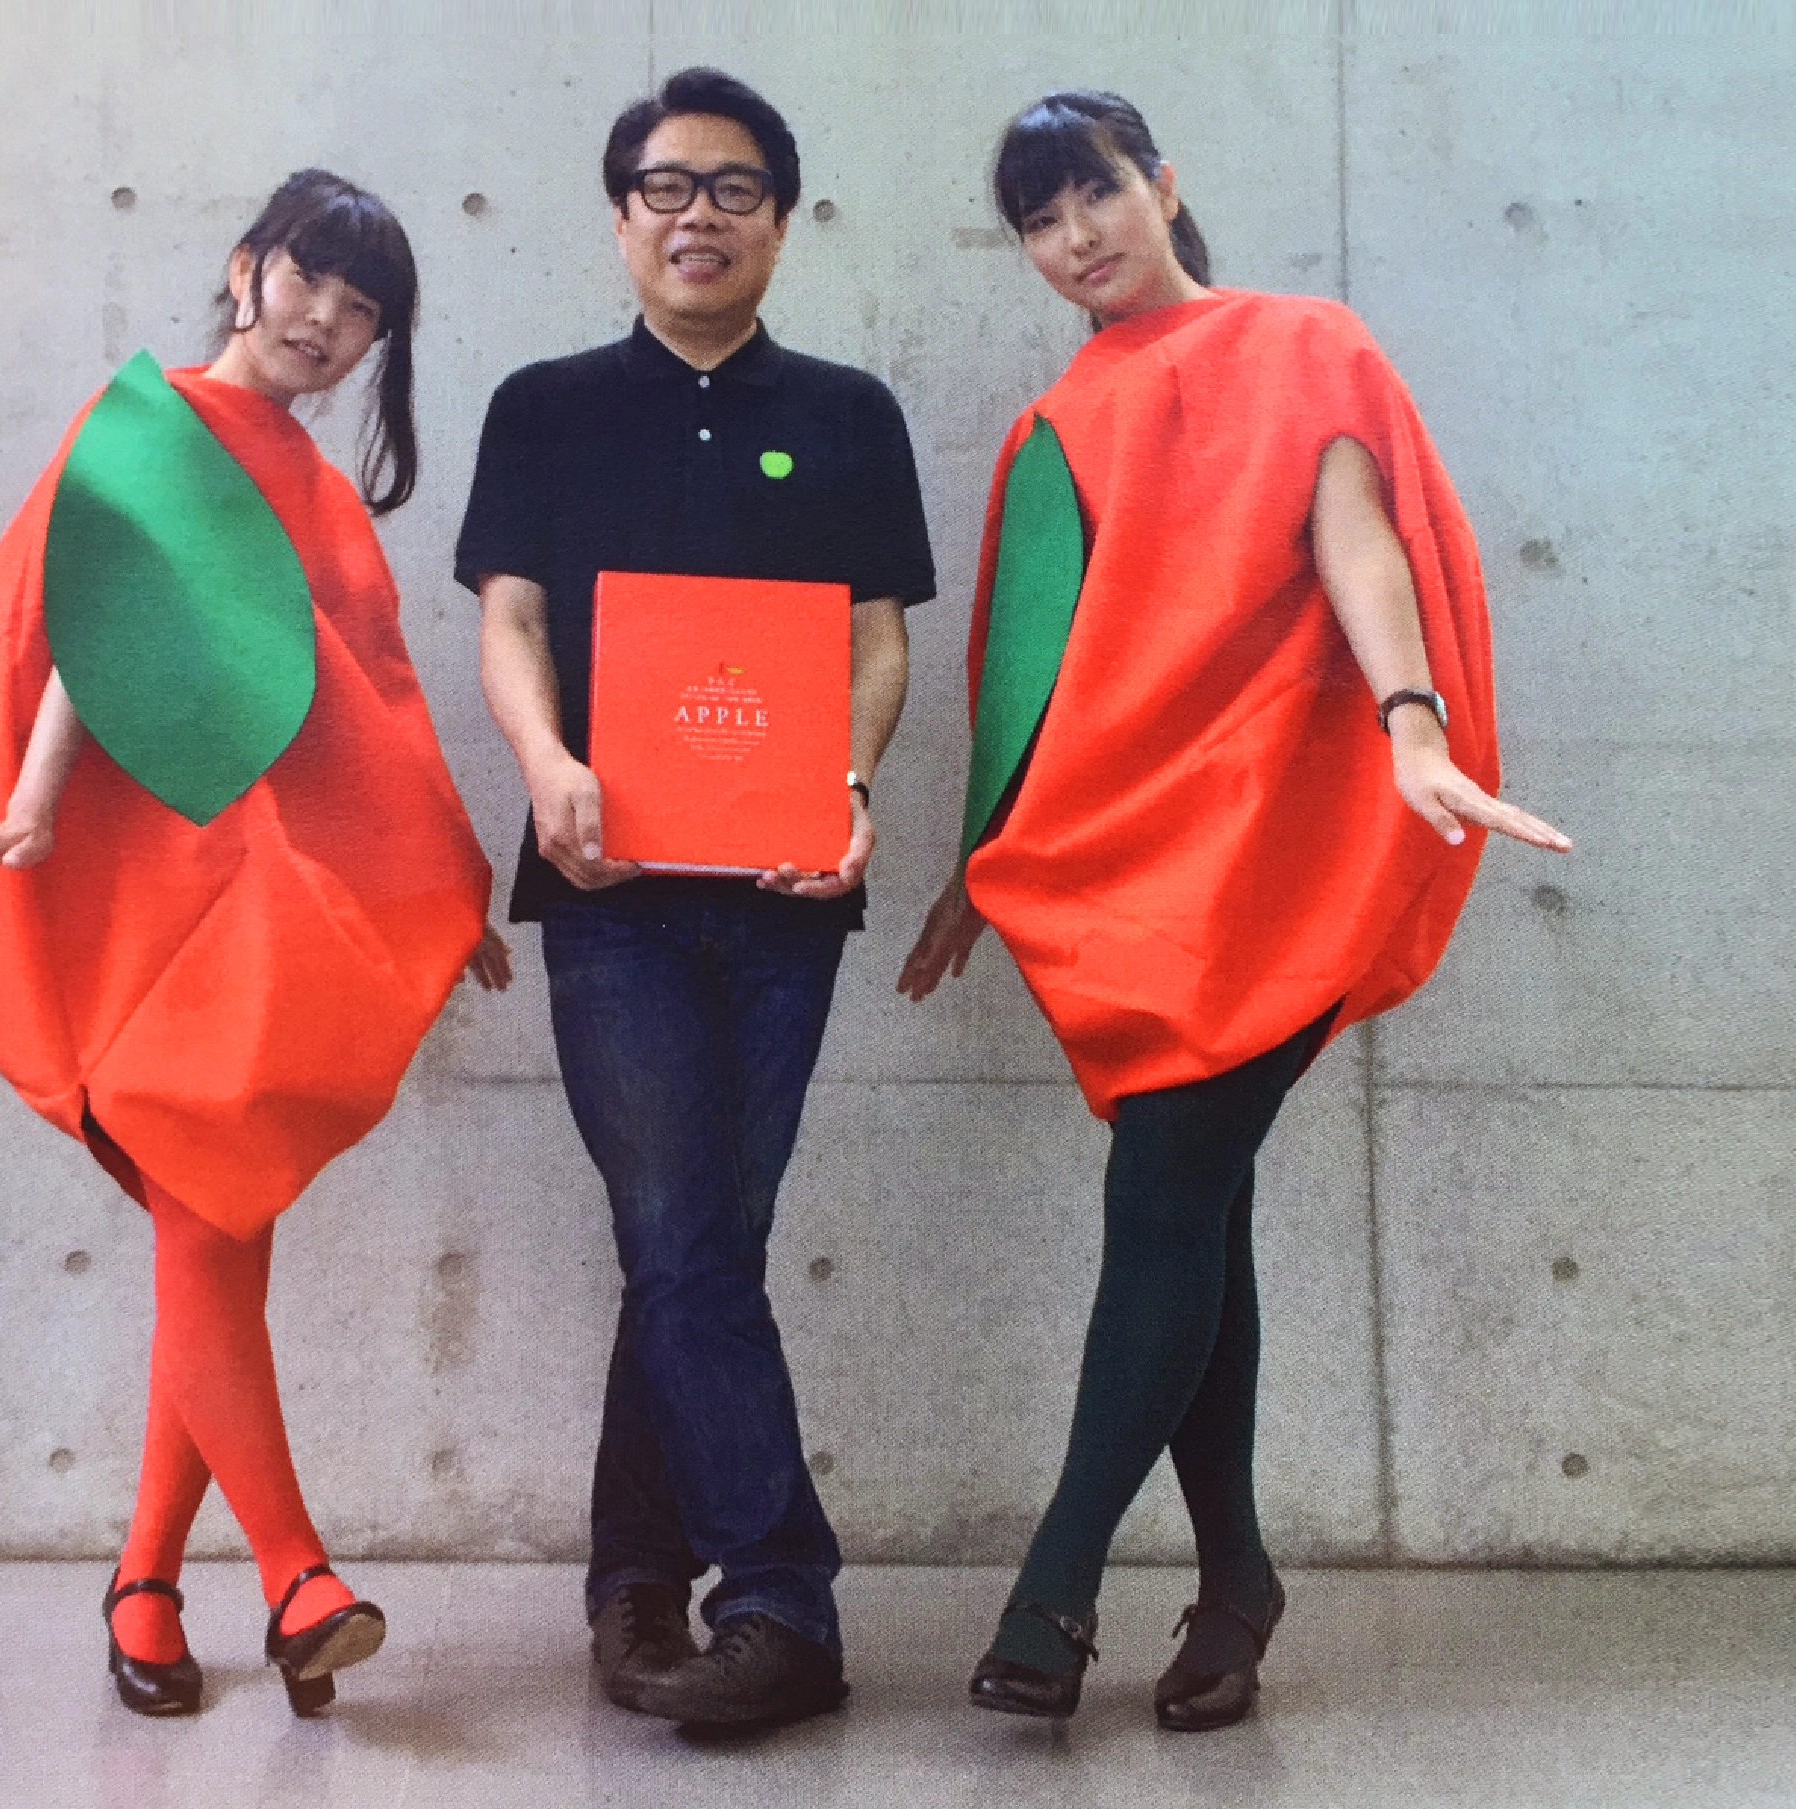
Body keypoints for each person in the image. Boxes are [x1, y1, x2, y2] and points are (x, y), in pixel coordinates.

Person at [898, 92, 1571, 1731]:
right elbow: (1028, 670)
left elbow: (1362, 544)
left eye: (1096, 194)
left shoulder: (1300, 344)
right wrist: (977, 863)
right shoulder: (1054, 425)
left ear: (1162, 184)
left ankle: (1055, 1586)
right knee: (1195, 1215)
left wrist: (1412, 721)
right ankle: (1237, 1582)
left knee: (1169, 1194)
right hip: (1129, 858)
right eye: (1041, 220)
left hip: (1275, 841)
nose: (1077, 238)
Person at [0, 170, 508, 1721]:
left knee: (216, 1227)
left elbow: (374, 706)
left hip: (266, 907)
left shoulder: (318, 488)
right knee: (205, 1217)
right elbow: (94, 626)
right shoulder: (156, 426)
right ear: (247, 269)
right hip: (153, 894)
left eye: (364, 312)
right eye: (310, 281)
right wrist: (33, 802)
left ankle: (147, 1579)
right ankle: (300, 1577)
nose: (327, 322)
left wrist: (444, 885)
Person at [455, 68, 934, 1727]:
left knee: (700, 1248)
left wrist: (849, 787)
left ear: (782, 222)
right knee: (681, 1238)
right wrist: (545, 765)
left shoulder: (852, 413)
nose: (698, 215)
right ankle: (785, 1602)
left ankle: (637, 1591)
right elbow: (511, 619)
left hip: (791, 891)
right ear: (621, 219)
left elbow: (877, 638)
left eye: (735, 188)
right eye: (666, 187)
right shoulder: (544, 406)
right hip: (611, 892)